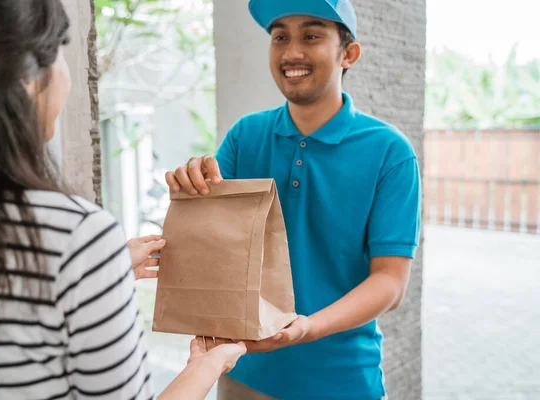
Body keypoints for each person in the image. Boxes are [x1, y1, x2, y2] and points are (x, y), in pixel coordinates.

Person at [0, 0, 245, 399]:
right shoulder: (77, 237)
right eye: (62, 54)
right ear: (28, 80)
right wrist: (205, 367)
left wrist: (101, 270)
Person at [164, 0, 422, 399]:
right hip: (242, 372)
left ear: (348, 54)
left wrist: (307, 327)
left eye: (312, 35)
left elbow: (389, 280)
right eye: (280, 36)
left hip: (342, 380)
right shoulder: (245, 135)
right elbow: (215, 251)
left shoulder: (389, 151)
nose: (291, 52)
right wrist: (189, 198)